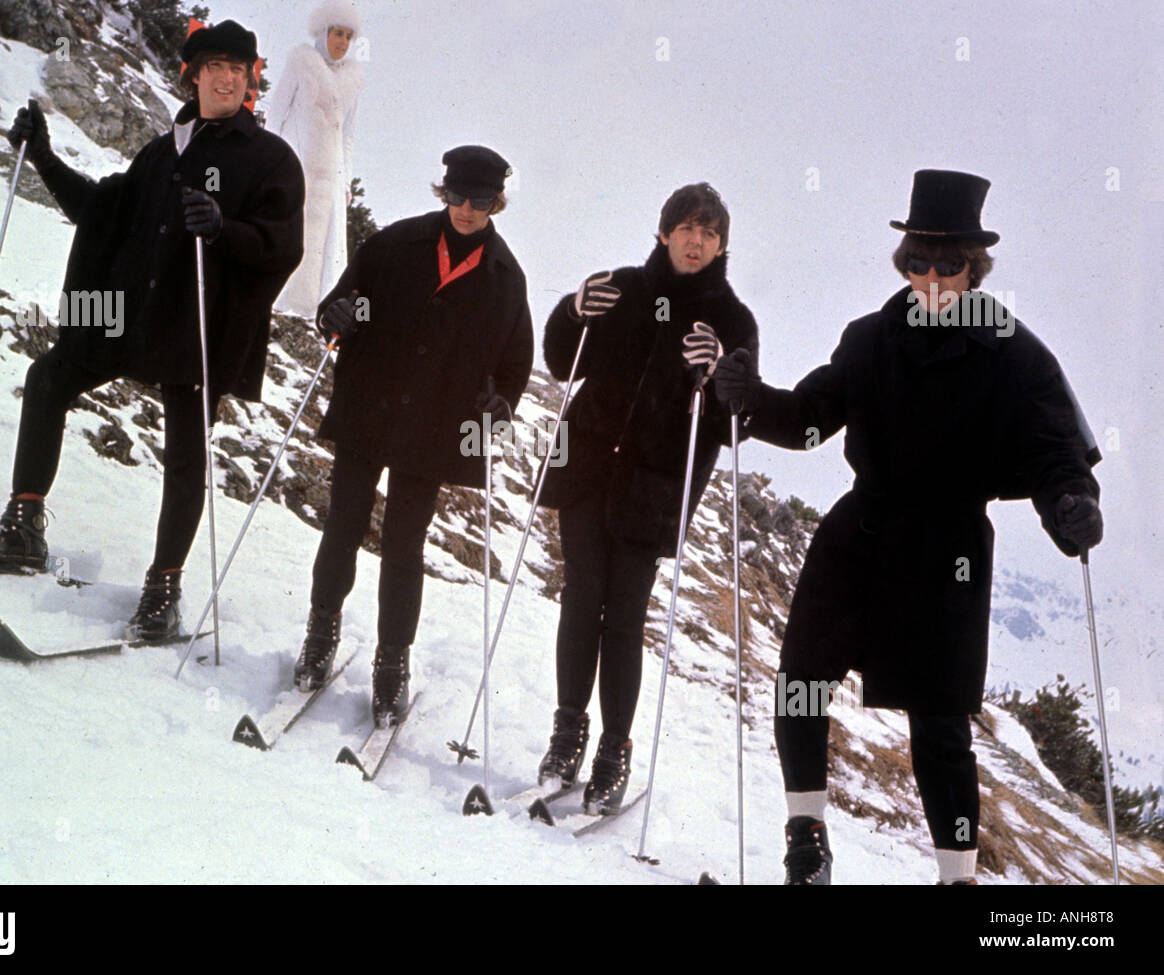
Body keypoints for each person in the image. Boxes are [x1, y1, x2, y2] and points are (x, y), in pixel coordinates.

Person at [713, 169, 1103, 884]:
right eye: (918, 260)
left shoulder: (1014, 353)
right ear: (904, 263)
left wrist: (1072, 504)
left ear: (974, 269)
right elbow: (808, 420)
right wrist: (747, 401)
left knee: (941, 724)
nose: (931, 276)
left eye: (948, 263)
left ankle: (957, 878)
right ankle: (806, 837)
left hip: (948, 553)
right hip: (859, 536)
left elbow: (1056, 454)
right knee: (800, 679)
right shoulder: (868, 340)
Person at [0, 20, 305, 640]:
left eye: (238, 67)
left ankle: (163, 589)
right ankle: (24, 526)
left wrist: (225, 228)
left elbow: (283, 246)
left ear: (252, 78)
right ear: (194, 75)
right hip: (125, 310)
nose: (226, 77)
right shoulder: (161, 149)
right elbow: (101, 212)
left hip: (195, 325)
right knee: (48, 377)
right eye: (214, 66)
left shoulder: (270, 159)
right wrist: (41, 155)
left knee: (184, 458)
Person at [536, 183, 760, 814]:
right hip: (585, 468)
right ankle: (566, 734)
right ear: (664, 232)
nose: (697, 241)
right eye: (687, 228)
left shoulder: (734, 323)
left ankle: (614, 750)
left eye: (710, 233)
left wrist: (721, 374)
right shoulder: (624, 289)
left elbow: (737, 421)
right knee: (581, 600)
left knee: (625, 619)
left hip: (655, 489)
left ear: (722, 246)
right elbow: (560, 362)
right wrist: (573, 310)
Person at [295, 145, 533, 727]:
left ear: (495, 202)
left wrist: (500, 402)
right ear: (444, 191)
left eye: (479, 201)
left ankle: (391, 665)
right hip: (369, 407)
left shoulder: (506, 280)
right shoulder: (396, 243)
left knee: (404, 545)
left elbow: (514, 365)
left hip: (434, 428)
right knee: (343, 524)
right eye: (456, 196)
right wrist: (339, 317)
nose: (466, 210)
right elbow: (340, 302)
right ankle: (320, 635)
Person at [270, 0, 365, 321]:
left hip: (331, 175)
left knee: (324, 242)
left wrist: (347, 179)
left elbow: (348, 136)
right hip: (294, 162)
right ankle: (280, 299)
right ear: (323, 32)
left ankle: (311, 308)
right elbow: (278, 112)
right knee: (291, 229)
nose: (342, 42)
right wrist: (268, 160)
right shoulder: (301, 61)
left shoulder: (354, 77)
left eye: (349, 36)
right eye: (338, 33)